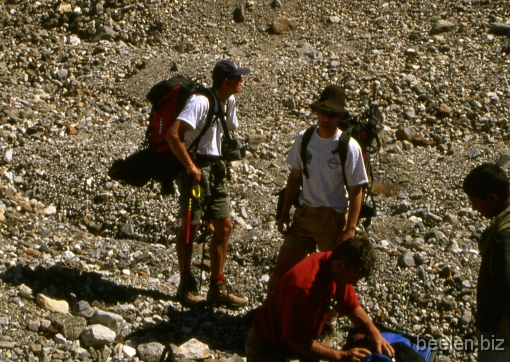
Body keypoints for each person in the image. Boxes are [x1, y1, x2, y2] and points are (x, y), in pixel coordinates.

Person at [267, 84, 368, 294]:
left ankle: (326, 322)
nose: (326, 117)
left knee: (334, 278)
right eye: (323, 111)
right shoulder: (304, 138)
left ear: (340, 116)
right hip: (304, 215)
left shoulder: (349, 147)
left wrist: (350, 229)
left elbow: (356, 190)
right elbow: (294, 177)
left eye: (332, 113)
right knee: (280, 275)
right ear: (317, 111)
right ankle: (269, 319)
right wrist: (284, 214)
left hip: (333, 220)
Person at [167, 59, 249, 307]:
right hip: (196, 169)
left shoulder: (229, 101)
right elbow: (173, 134)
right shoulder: (200, 102)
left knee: (224, 226)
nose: (242, 82)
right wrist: (190, 166)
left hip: (216, 168)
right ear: (226, 81)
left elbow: (228, 129)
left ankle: (217, 285)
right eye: (238, 78)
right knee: (191, 226)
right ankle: (186, 284)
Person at [246, 236, 394, 362]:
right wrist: (341, 356)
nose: (354, 284)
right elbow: (295, 342)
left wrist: (374, 332)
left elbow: (351, 306)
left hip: (302, 337)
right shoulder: (303, 289)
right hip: (268, 346)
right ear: (339, 265)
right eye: (354, 278)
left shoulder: (334, 267)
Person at [463, 163, 510, 360]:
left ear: (492, 198)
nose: (473, 208)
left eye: (475, 201)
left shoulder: (504, 238)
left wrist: (485, 321)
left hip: (500, 334)